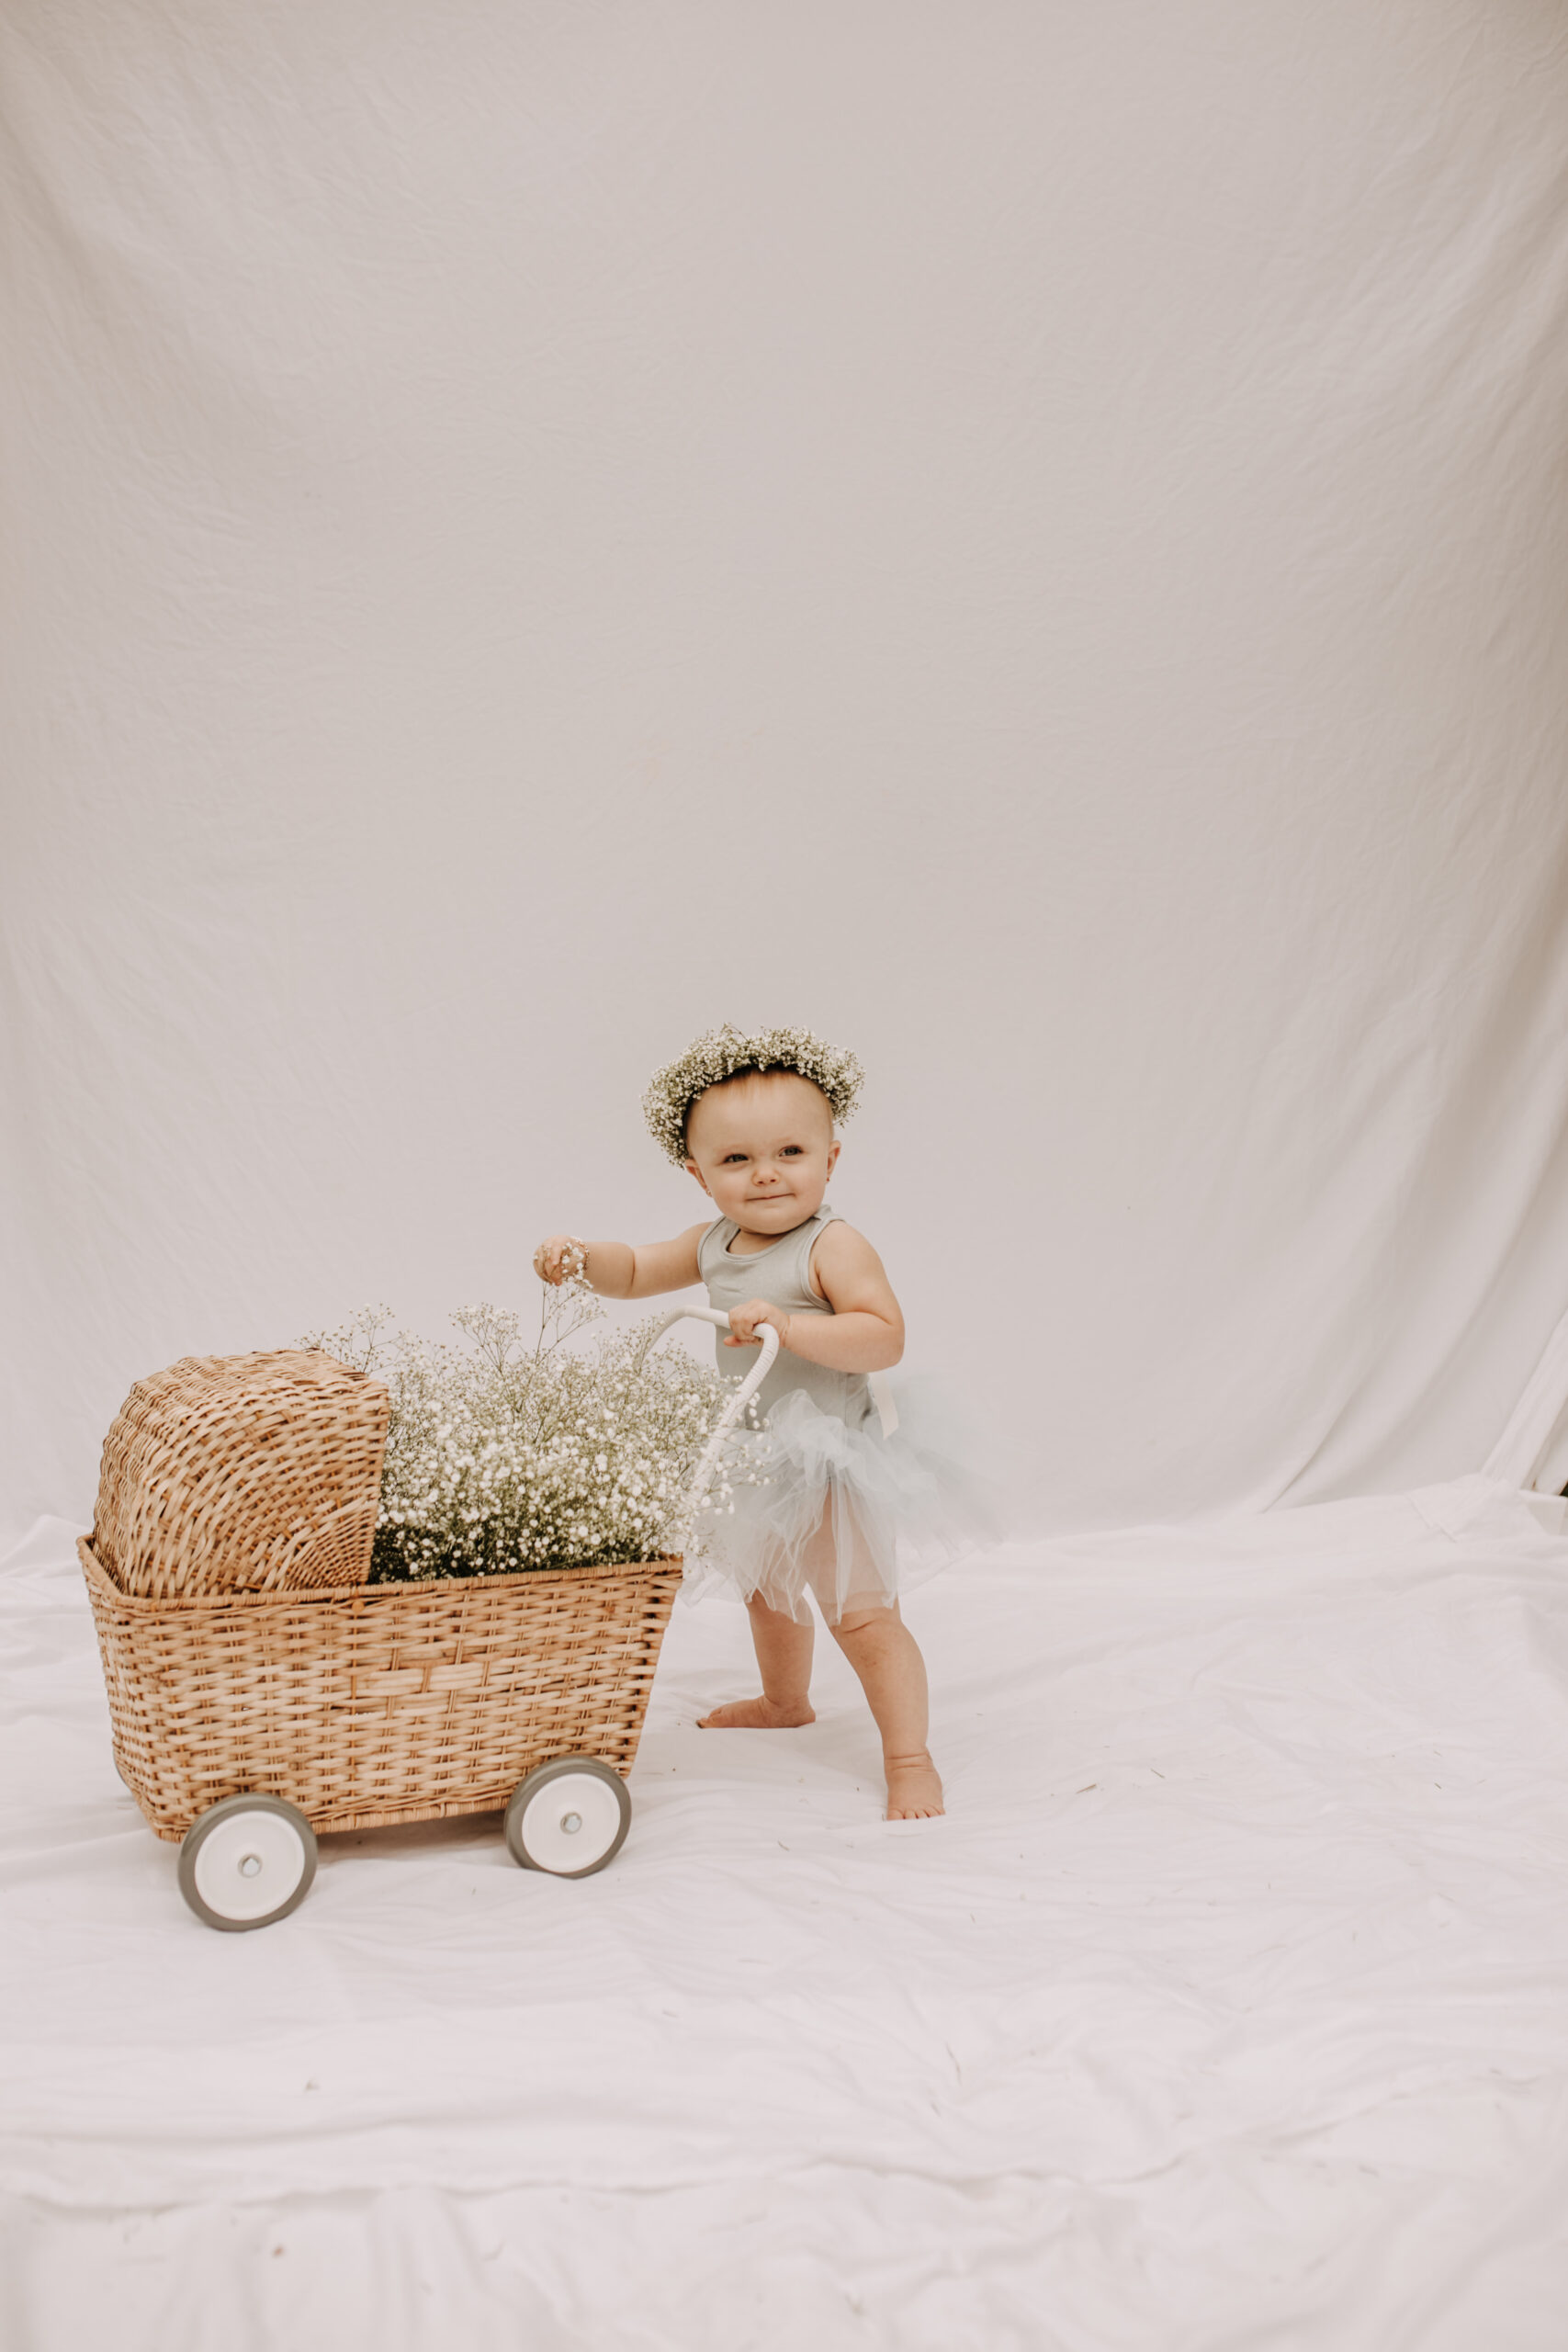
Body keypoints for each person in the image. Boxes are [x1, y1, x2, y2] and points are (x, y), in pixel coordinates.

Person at [534, 1023, 978, 1822]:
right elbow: (635, 1270)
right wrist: (580, 1257)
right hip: (752, 1452)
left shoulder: (832, 1246)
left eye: (790, 1154)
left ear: (830, 1157)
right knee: (767, 1592)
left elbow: (883, 1334)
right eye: (736, 1160)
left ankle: (909, 1756)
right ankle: (785, 1701)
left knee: (863, 1614)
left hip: (828, 1457)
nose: (765, 1176)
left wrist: (793, 1324)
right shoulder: (712, 1243)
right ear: (698, 1174)